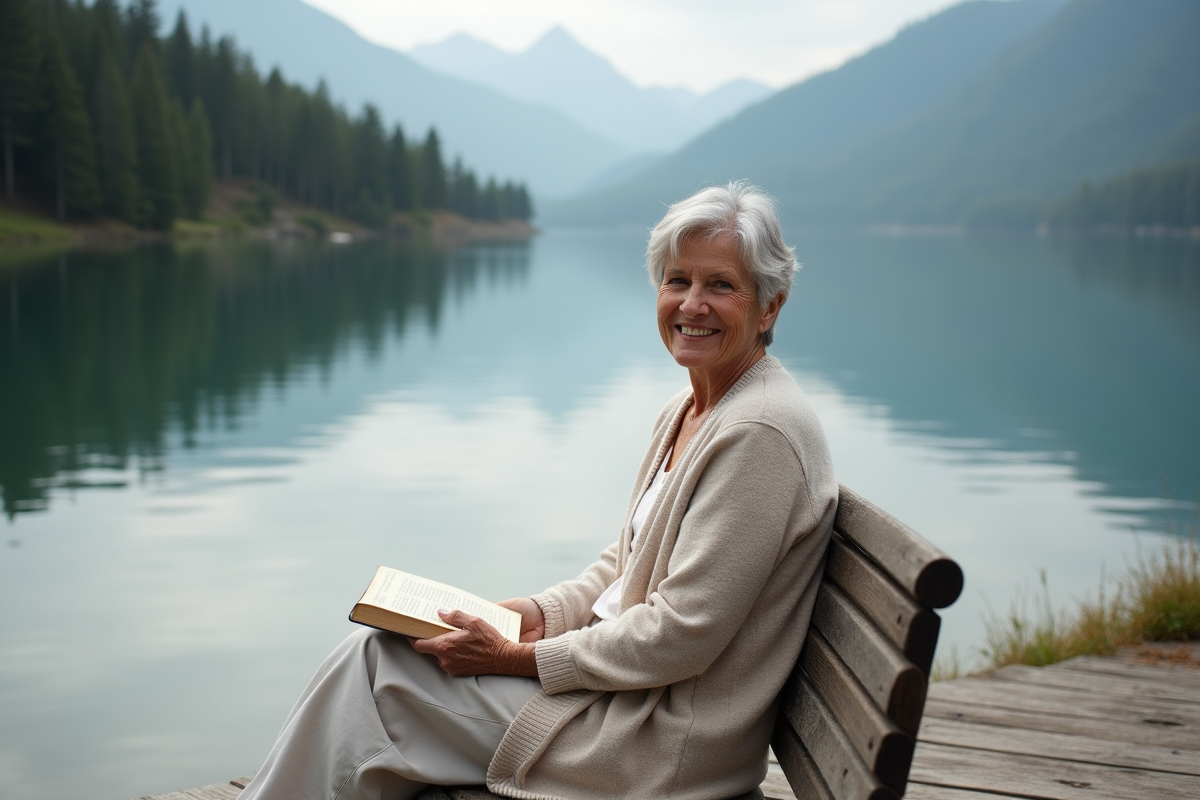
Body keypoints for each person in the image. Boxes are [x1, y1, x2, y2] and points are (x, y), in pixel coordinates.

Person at [239, 182, 838, 800]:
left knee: (377, 673)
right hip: (621, 700)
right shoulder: (694, 408)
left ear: (769, 307)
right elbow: (626, 562)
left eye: (720, 285)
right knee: (381, 660)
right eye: (677, 280)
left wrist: (512, 657)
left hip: (655, 744)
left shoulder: (758, 434)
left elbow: (679, 634)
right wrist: (531, 615)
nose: (691, 304)